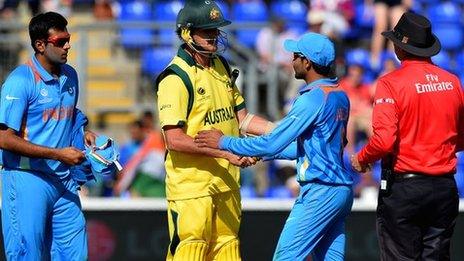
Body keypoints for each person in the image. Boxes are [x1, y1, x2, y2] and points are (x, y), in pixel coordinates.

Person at [195, 32, 353, 261]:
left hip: (320, 190)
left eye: (296, 55)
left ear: (307, 63)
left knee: (286, 257)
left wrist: (223, 142)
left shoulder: (312, 99)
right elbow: (305, 149)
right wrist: (261, 155)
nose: (292, 60)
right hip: (341, 191)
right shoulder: (340, 95)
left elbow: (272, 142)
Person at [154, 0, 274, 260]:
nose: (214, 37)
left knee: (228, 248)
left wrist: (280, 131)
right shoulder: (176, 77)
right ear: (187, 34)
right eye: (207, 31)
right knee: (191, 249)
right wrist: (227, 153)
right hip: (192, 187)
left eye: (216, 30)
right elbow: (173, 140)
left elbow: (242, 119)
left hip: (226, 183)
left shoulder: (221, 65)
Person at [351, 12, 464, 260]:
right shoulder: (453, 82)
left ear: (400, 47)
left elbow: (383, 141)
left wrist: (362, 157)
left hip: (406, 188)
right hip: (445, 187)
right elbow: (461, 137)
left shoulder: (391, 83)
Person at [0, 12, 96, 260]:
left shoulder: (71, 75)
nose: (68, 45)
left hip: (63, 181)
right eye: (60, 41)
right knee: (26, 255)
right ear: (40, 45)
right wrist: (57, 154)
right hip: (27, 178)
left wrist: (83, 133)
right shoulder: (20, 81)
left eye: (69, 39)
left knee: (74, 255)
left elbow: (68, 115)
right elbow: (4, 139)